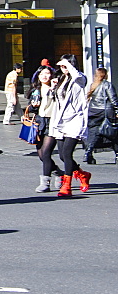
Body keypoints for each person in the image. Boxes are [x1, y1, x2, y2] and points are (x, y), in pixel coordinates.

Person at [50, 55, 90, 197]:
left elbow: (77, 76)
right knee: (61, 154)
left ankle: (67, 186)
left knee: (67, 153)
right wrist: (54, 87)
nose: (63, 68)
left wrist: (67, 64)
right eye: (61, 66)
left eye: (65, 65)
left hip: (74, 120)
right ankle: (82, 174)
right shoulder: (62, 79)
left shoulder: (79, 78)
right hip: (61, 121)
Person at [30, 66, 62, 193]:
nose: (44, 76)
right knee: (41, 154)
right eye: (42, 74)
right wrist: (32, 107)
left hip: (51, 122)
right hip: (39, 122)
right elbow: (32, 108)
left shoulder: (55, 89)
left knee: (46, 152)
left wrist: (54, 87)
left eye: (47, 73)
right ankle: (59, 173)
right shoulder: (35, 90)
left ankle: (45, 182)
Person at [84, 68, 118, 165]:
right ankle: (117, 153)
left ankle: (88, 152)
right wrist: (116, 110)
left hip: (93, 111)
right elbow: (113, 99)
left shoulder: (93, 85)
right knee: (112, 133)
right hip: (105, 111)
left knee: (93, 132)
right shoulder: (107, 85)